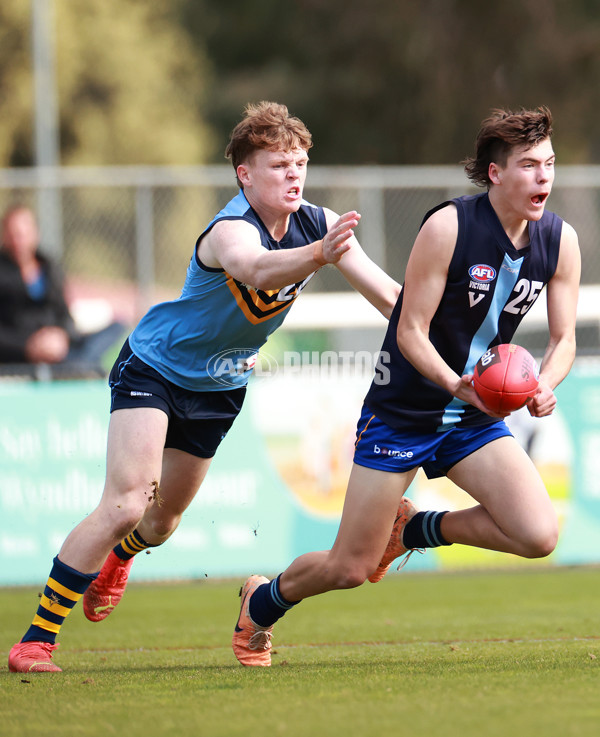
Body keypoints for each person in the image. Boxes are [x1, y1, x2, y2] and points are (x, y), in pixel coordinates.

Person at [8, 101, 401, 672]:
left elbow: (389, 297)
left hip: (219, 387)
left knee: (160, 524)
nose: (293, 175)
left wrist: (444, 341)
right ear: (245, 174)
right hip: (155, 368)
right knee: (125, 502)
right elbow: (260, 270)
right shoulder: (229, 230)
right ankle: (36, 640)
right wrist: (323, 253)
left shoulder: (319, 223)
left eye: (299, 163)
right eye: (277, 165)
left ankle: (123, 556)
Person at [230, 105, 581, 667]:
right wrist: (455, 383)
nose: (544, 177)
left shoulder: (560, 242)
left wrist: (544, 383)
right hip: (404, 409)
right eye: (529, 166)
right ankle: (263, 601)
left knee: (538, 534)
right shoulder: (449, 226)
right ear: (495, 173)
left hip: (471, 416)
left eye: (550, 164)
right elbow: (410, 330)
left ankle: (416, 529)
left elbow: (564, 339)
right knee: (349, 567)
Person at [0, 205, 125, 377]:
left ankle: (79, 365)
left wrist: (61, 337)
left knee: (117, 328)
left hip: (59, 350)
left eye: (22, 234)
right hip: (22, 357)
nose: (18, 240)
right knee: (82, 361)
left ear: (35, 233)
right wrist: (28, 346)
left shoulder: (50, 268)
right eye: (13, 234)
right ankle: (82, 367)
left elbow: (64, 317)